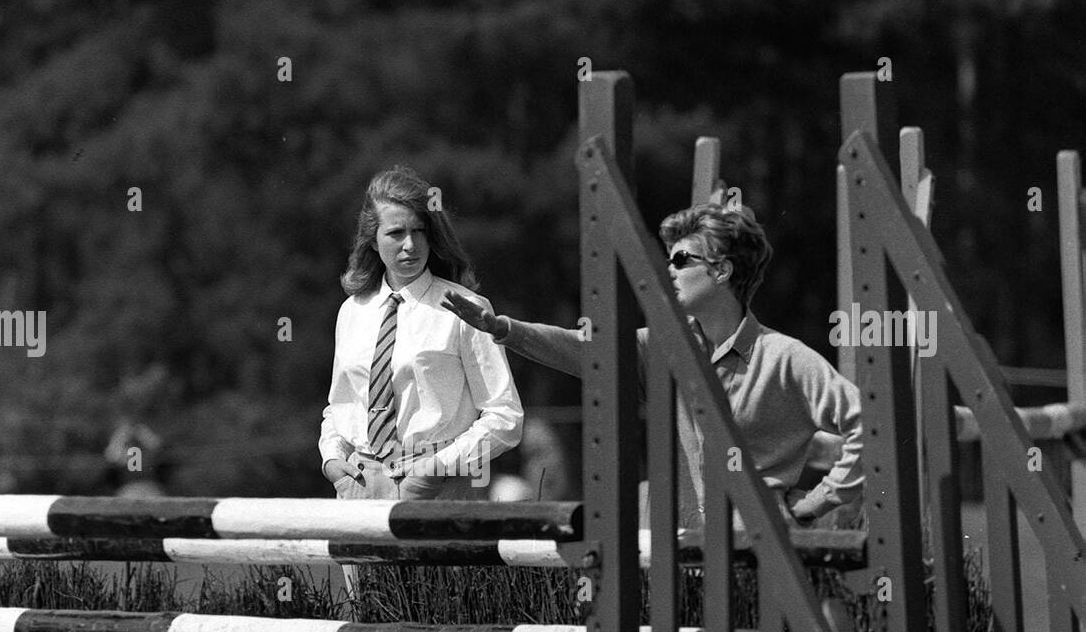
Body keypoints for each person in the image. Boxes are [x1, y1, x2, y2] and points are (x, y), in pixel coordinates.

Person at [441, 203, 861, 526]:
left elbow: (873, 429)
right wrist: (506, 330)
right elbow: (585, 351)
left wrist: (811, 506)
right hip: (676, 564)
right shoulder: (661, 348)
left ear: (722, 271)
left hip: (760, 567)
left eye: (682, 260)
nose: (669, 270)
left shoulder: (786, 358)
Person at [319, 166, 523, 502]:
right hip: (360, 484)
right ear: (373, 239)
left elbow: (505, 416)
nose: (410, 245)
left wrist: (437, 467)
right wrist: (332, 461)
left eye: (420, 231)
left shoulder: (466, 309)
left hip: (438, 484)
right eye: (396, 233)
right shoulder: (352, 311)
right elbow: (340, 407)